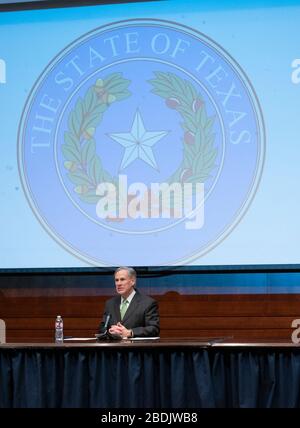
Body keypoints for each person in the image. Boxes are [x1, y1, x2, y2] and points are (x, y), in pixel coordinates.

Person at [99, 266, 160, 339]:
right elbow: (102, 328)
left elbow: (154, 328)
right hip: (114, 347)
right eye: (116, 280)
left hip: (136, 348)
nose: (118, 283)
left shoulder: (148, 303)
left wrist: (130, 332)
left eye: (122, 279)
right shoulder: (110, 303)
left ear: (132, 281)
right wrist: (110, 331)